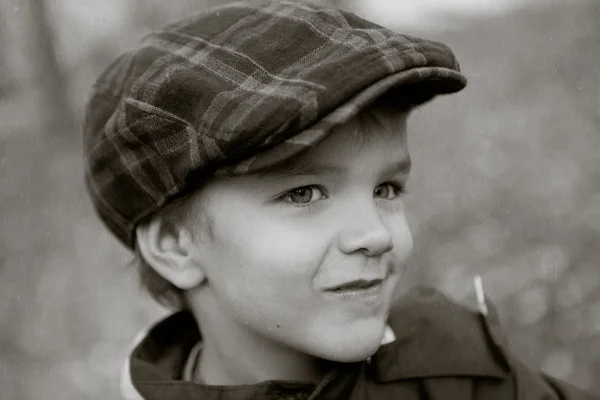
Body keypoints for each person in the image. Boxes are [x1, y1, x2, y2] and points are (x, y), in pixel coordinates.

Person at [83, 1, 599, 399]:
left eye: (386, 189)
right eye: (304, 193)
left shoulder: (463, 372)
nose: (375, 233)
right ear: (175, 244)